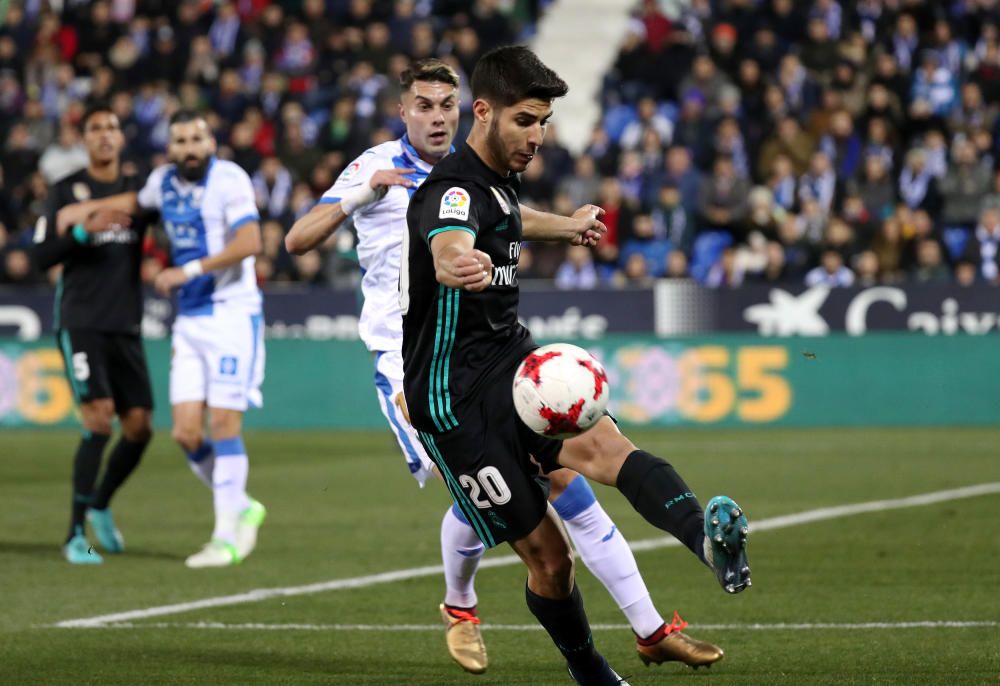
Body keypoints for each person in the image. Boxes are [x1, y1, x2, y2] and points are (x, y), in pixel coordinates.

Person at [286, 58, 723, 676]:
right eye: (425, 105)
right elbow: (311, 240)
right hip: (416, 367)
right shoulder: (385, 169)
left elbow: (504, 220)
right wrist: (367, 195)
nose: (438, 116)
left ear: (466, 109)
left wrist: (566, 227)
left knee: (567, 479)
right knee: (501, 504)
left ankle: (653, 622)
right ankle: (461, 605)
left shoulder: (490, 171)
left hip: (493, 355)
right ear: (404, 111)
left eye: (447, 105)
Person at [401, 47, 751, 685]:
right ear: (483, 113)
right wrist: (457, 263)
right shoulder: (451, 189)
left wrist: (565, 227)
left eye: (543, 123)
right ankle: (588, 670)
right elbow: (450, 238)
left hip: (511, 363)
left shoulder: (496, 182)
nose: (537, 137)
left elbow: (506, 218)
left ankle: (705, 537)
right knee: (551, 560)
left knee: (606, 443)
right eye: (526, 121)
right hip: (453, 402)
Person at [57, 111, 267, 569]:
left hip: (232, 314)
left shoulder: (229, 179)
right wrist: (83, 211)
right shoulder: (162, 182)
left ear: (211, 142)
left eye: (197, 138)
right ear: (169, 148)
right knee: (186, 432)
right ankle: (242, 505)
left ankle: (226, 538)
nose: (190, 147)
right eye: (181, 141)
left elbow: (251, 241)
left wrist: (186, 271)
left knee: (224, 426)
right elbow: (135, 200)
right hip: (189, 321)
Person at [32, 103, 154, 565]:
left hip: (125, 322)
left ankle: (100, 503)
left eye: (112, 128)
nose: (105, 135)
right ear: (84, 140)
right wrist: (83, 232)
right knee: (99, 419)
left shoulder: (138, 194)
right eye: (96, 129)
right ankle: (74, 536)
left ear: (121, 139)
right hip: (81, 320)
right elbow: (42, 255)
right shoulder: (64, 191)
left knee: (140, 428)